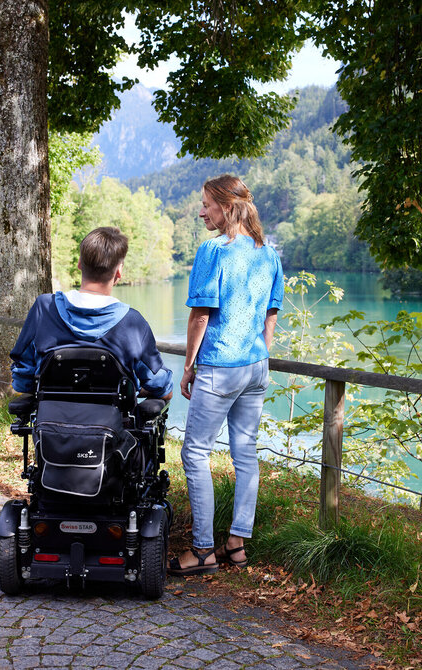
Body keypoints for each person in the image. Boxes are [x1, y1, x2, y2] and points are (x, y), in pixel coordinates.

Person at [169, 174, 284, 577]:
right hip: (255, 367)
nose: (201, 211)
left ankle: (202, 550)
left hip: (220, 366)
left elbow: (201, 315)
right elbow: (271, 314)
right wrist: (260, 357)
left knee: (195, 452)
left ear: (227, 207)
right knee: (245, 454)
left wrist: (188, 367)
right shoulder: (267, 253)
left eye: (206, 204)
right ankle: (236, 545)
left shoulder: (214, 251)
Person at [9, 226, 173, 401]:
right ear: (119, 271)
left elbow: (22, 379)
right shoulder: (132, 322)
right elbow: (158, 383)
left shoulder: (44, 308)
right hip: (113, 425)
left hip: (50, 423)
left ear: (80, 263)